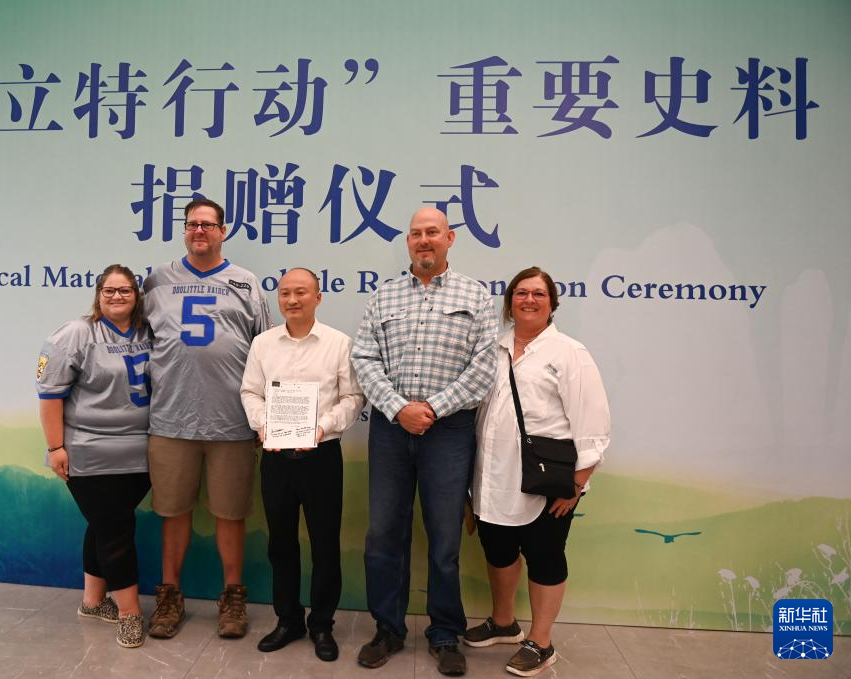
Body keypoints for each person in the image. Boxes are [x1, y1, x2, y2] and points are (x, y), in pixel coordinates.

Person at [351, 207, 497, 676]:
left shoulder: (476, 296)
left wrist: (431, 408)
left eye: (432, 232)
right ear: (408, 242)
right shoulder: (384, 295)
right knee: (383, 535)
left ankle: (445, 633)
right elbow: (364, 358)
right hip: (391, 429)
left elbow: (484, 368)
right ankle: (388, 629)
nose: (423, 240)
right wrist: (400, 409)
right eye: (415, 234)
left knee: (445, 538)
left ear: (449, 238)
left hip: (448, 431)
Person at [465, 266, 610, 677]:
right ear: (509, 301)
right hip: (491, 476)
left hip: (547, 481)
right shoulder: (491, 348)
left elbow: (593, 423)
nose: (529, 300)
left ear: (552, 304)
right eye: (521, 293)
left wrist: (576, 484)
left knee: (545, 556)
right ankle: (503, 622)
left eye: (538, 294)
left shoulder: (569, 353)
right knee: (498, 551)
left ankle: (541, 642)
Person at [142, 197, 271, 640]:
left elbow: (265, 351)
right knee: (172, 511)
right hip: (171, 418)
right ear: (184, 230)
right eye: (192, 224)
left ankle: (232, 596)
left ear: (223, 231)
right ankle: (170, 595)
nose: (199, 231)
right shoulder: (157, 280)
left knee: (230, 513)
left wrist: (264, 416)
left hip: (231, 422)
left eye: (208, 225)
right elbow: (137, 339)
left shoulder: (245, 282)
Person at [239, 267, 365, 661]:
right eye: (285, 293)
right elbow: (250, 392)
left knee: (325, 544)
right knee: (280, 542)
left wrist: (322, 426)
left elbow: (353, 398)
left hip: (321, 456)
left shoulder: (338, 343)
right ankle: (288, 619)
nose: (292, 300)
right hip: (276, 457)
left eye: (301, 292)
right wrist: (264, 425)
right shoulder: (263, 344)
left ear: (318, 297)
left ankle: (322, 624)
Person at [36, 264, 154, 649]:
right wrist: (55, 447)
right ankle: (130, 614)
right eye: (109, 290)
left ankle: (92, 601)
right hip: (90, 451)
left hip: (141, 453)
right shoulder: (76, 333)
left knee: (104, 525)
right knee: (116, 529)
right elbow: (50, 395)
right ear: (98, 294)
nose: (117, 296)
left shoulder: (148, 332)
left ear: (136, 295)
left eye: (125, 290)